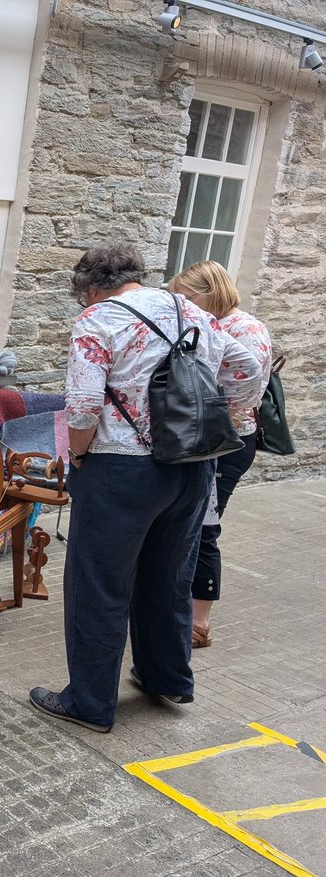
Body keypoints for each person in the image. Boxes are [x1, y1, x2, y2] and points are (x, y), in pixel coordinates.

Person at [29, 241, 262, 733]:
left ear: (91, 287)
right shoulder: (191, 311)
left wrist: (78, 454)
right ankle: (167, 678)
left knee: (99, 585)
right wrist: (221, 413)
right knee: (168, 577)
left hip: (121, 470)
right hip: (191, 465)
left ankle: (89, 702)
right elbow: (248, 371)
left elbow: (84, 406)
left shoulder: (98, 320)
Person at [170, 260, 272, 649]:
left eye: (186, 296)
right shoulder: (209, 323)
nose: (182, 304)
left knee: (204, 529)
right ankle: (177, 606)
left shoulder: (244, 329)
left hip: (227, 444)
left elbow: (246, 391)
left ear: (209, 292)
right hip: (202, 439)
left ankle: (199, 622)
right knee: (188, 525)